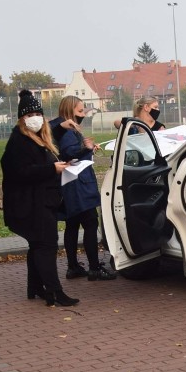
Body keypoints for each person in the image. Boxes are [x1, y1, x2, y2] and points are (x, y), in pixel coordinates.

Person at [1, 90, 80, 307]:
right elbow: (21, 172)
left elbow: (45, 163)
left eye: (37, 113)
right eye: (29, 114)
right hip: (31, 204)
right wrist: (50, 169)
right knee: (46, 246)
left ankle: (34, 286)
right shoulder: (19, 141)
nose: (34, 118)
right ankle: (54, 292)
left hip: (41, 201)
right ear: (21, 119)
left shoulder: (40, 139)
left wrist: (65, 164)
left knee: (38, 245)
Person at [51, 95, 116, 281]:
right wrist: (86, 148)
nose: (82, 115)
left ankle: (73, 267)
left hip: (71, 183)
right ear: (69, 111)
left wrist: (87, 148)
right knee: (89, 223)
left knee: (72, 224)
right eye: (80, 111)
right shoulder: (67, 130)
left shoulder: (63, 128)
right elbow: (70, 153)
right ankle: (94, 268)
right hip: (78, 182)